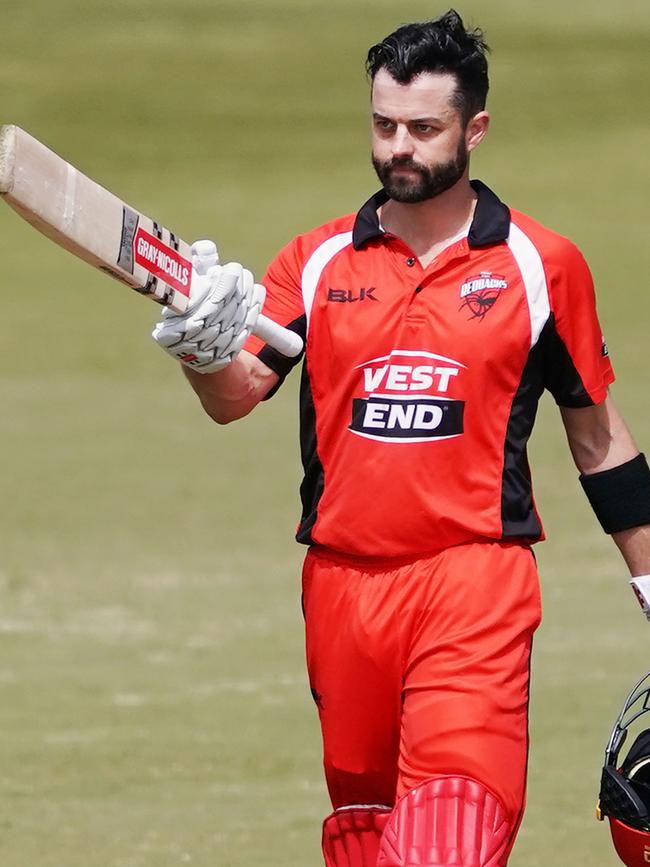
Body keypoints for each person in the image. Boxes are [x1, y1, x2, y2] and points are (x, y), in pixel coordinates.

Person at [152, 10, 650, 867]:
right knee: (366, 839)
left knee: (446, 840)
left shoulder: (540, 264)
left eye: (424, 128)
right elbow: (235, 396)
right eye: (384, 126)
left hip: (473, 584)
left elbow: (599, 440)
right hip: (340, 592)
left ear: (475, 129)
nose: (399, 148)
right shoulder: (313, 262)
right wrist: (201, 347)